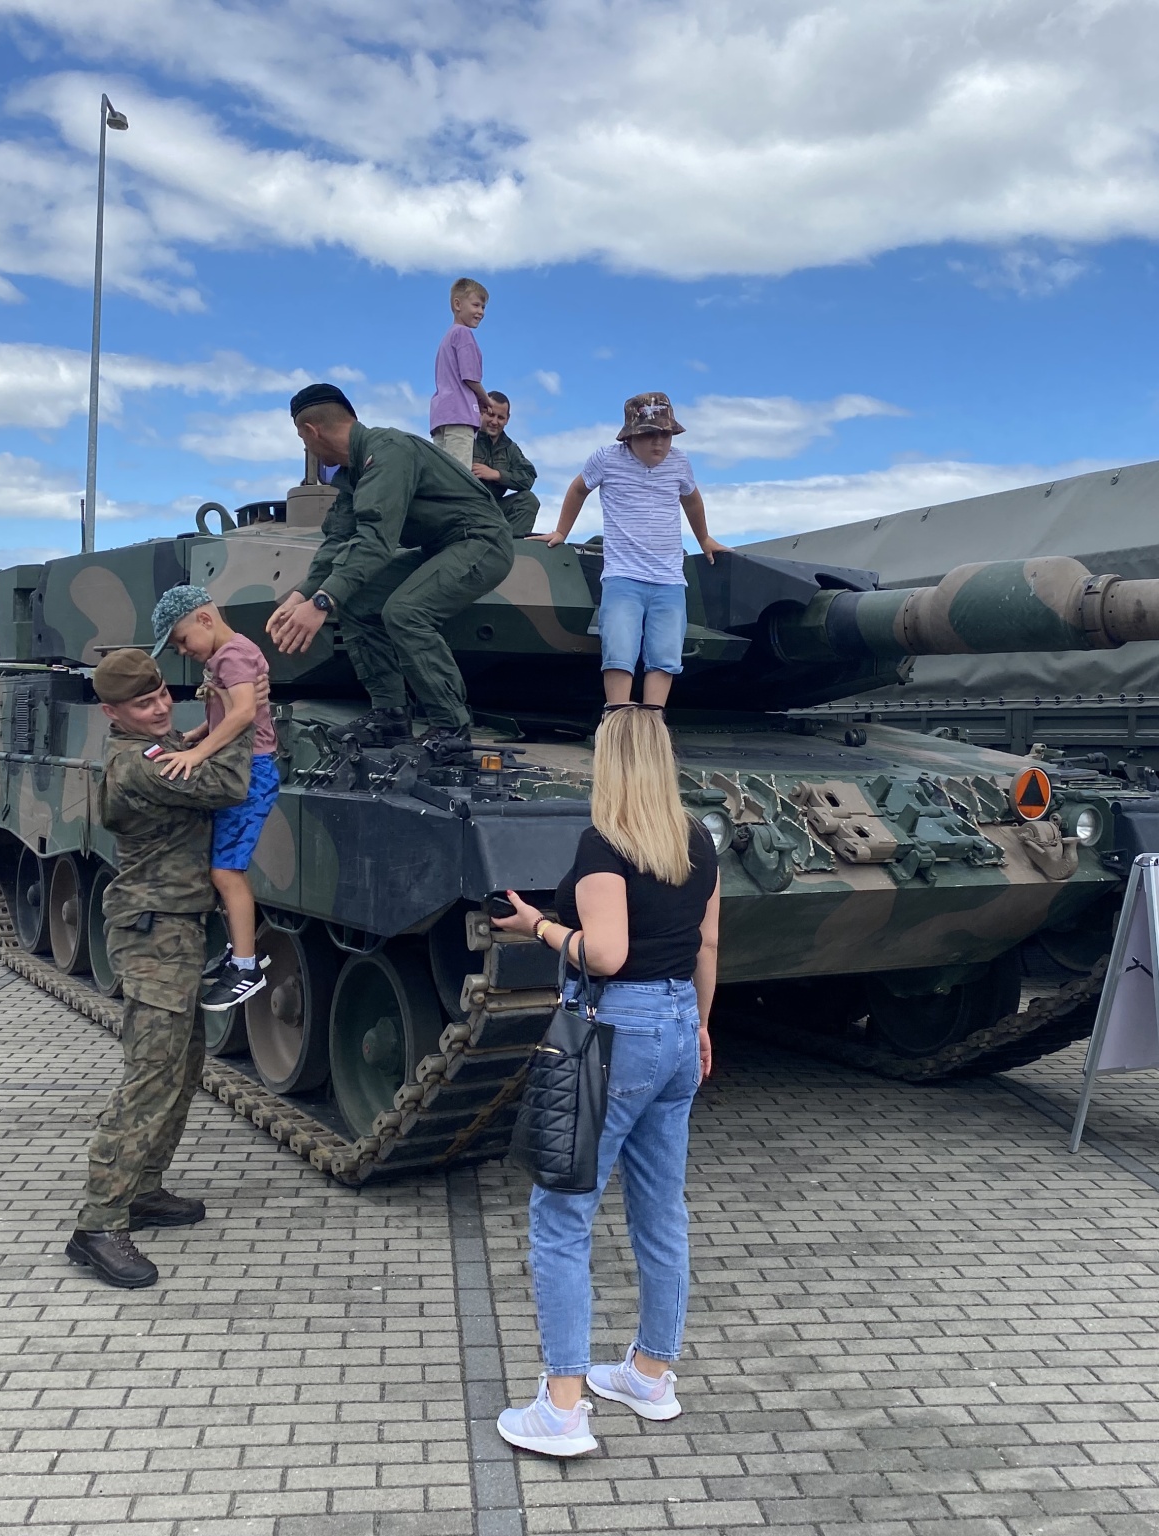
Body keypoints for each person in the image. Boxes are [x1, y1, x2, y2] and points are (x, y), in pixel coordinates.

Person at [488, 704, 721, 1457]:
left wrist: (538, 926)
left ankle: (561, 1409)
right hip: (678, 1027)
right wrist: (701, 1026)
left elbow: (609, 953)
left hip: (616, 1032)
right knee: (661, 1210)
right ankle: (650, 1374)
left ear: (608, 766)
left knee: (562, 1214)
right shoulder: (697, 840)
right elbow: (707, 945)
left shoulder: (604, 844)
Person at [67, 648, 266, 1288]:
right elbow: (228, 783)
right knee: (151, 1076)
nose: (158, 709)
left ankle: (144, 1189)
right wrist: (244, 712)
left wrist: (214, 722)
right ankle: (99, 1225)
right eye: (142, 703)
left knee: (181, 1067)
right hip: (153, 931)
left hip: (178, 928)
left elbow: (192, 747)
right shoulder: (139, 765)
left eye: (160, 696)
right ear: (111, 713)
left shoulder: (161, 747)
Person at [267, 382, 515, 753]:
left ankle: (451, 728)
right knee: (357, 600)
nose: (307, 447)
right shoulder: (355, 472)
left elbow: (374, 541)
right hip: (443, 547)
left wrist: (321, 603)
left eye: (302, 440)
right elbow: (338, 541)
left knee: (405, 611)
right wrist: (302, 595)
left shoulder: (388, 452)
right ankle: (390, 717)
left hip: (482, 542)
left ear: (310, 431)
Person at [533, 392, 727, 708]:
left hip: (669, 580)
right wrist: (561, 532)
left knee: (665, 656)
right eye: (649, 434)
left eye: (666, 434)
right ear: (630, 436)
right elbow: (579, 488)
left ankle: (653, 719)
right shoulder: (607, 459)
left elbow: (691, 499)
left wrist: (704, 538)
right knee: (619, 651)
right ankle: (617, 715)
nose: (659, 442)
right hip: (623, 578)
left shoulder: (679, 462)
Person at [147, 584, 280, 1012]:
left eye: (182, 641)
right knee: (220, 867)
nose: (183, 651)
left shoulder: (231, 655)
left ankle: (246, 967)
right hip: (239, 768)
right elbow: (231, 711)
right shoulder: (229, 653)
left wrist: (197, 753)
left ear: (205, 619)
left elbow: (243, 713)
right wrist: (196, 734)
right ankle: (239, 951)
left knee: (226, 872)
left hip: (249, 771)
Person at [430, 277, 491, 471]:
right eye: (476, 305)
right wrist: (485, 399)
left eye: (483, 307)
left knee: (441, 473)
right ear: (458, 304)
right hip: (460, 416)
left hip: (441, 416)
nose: (481, 312)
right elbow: (470, 376)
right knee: (459, 475)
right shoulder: (464, 334)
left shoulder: (447, 338)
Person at [473, 391, 540, 535]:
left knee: (529, 500)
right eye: (491, 414)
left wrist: (497, 475)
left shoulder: (510, 448)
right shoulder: (466, 438)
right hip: (467, 507)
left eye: (500, 417)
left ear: (507, 419)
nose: (494, 422)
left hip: (494, 509)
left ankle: (508, 546)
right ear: (481, 411)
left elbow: (528, 477)